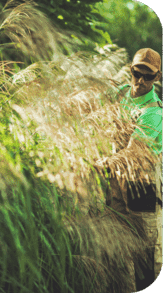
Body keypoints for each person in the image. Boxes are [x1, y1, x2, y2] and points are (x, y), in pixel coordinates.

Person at [94, 48, 162, 291]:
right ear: (130, 70)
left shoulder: (154, 113)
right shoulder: (121, 94)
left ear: (157, 77)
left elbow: (134, 152)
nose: (140, 81)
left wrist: (101, 163)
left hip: (141, 188)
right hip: (115, 185)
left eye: (148, 76)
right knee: (116, 251)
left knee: (144, 260)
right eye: (136, 73)